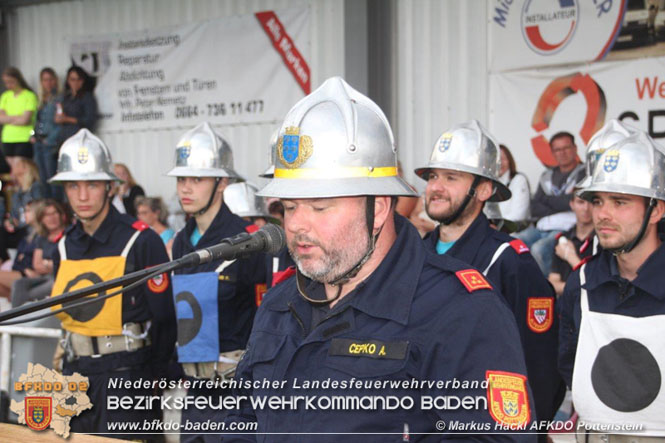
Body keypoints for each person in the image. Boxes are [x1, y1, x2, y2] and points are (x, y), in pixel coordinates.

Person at [225, 77, 535, 439]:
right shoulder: (280, 303)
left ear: (379, 209)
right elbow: (240, 416)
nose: (297, 225)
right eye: (290, 207)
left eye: (320, 207)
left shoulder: (461, 311)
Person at [415, 120, 564, 431]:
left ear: (483, 190)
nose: (436, 187)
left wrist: (531, 433)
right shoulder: (415, 257)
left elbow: (541, 364)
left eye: (451, 177)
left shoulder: (510, 261)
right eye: (433, 176)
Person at [48, 128, 176, 437]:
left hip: (128, 375)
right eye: (73, 186)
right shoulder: (63, 246)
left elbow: (165, 319)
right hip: (75, 376)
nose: (82, 196)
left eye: (92, 184)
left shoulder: (141, 240)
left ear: (109, 187)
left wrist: (152, 379)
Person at [559, 131, 665, 440]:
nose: (603, 215)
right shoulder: (581, 282)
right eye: (597, 201)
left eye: (620, 202)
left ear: (656, 210)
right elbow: (568, 364)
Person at [167, 122, 266, 442]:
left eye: (197, 179)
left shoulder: (247, 242)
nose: (185, 188)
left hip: (235, 395)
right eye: (182, 178)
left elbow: (265, 320)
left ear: (222, 182)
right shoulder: (182, 241)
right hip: (194, 392)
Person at [515, 131, 585, 275]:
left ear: (575, 149)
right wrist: (560, 204)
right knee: (514, 242)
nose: (562, 153)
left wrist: (547, 200)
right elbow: (534, 207)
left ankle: (548, 294)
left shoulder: (584, 173)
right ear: (552, 153)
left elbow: (572, 201)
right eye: (557, 150)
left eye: (566, 148)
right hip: (542, 226)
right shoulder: (546, 176)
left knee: (539, 249)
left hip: (568, 228)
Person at [11, 199, 68, 307]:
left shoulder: (69, 234)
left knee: (30, 293)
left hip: (59, 277)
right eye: (46, 215)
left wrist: (46, 263)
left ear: (61, 215)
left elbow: (65, 264)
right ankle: (11, 320)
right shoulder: (41, 238)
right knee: (18, 283)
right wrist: (50, 264)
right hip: (44, 277)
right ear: (41, 219)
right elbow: (37, 265)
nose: (52, 218)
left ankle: (19, 319)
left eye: (54, 213)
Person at [0, 157, 47, 262]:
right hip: (19, 230)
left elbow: (39, 211)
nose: (12, 164)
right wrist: (10, 222)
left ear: (26, 167)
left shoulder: (36, 188)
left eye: (16, 163)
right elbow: (13, 215)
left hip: (32, 229)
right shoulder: (17, 194)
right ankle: (6, 262)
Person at [548, 195, 594, 297]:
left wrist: (570, 256)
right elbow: (552, 283)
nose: (586, 208)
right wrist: (579, 288)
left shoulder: (603, 240)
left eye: (591, 202)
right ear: (572, 204)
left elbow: (595, 286)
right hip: (566, 306)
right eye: (580, 202)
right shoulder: (562, 238)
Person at [0, 200, 40, 302]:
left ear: (37, 212)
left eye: (27, 211)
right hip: (20, 271)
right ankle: (16, 299)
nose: (23, 214)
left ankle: (17, 299)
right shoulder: (27, 234)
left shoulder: (41, 236)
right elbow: (18, 261)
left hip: (29, 275)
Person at [31, 67, 61, 198]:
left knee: (52, 176)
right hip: (38, 141)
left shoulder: (59, 99)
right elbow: (37, 120)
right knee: (41, 177)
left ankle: (56, 206)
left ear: (55, 81)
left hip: (50, 142)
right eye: (45, 80)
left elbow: (60, 122)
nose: (48, 83)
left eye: (50, 79)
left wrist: (50, 139)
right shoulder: (40, 100)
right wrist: (33, 135)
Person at [0, 67, 38, 170]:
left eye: (11, 82)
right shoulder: (5, 96)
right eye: (6, 82)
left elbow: (25, 120)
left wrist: (8, 119)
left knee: (22, 170)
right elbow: (1, 118)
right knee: (13, 173)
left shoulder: (29, 95)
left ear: (18, 79)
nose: (9, 85)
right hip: (7, 137)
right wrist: (17, 117)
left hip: (23, 138)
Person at [54, 66, 97, 149]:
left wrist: (67, 119)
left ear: (83, 81)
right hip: (64, 138)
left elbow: (89, 121)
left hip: (80, 138)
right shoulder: (66, 97)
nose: (75, 83)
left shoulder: (87, 97)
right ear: (68, 80)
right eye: (73, 80)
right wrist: (58, 117)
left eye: (79, 80)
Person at [492, 144, 530, 231]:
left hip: (517, 230)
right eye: (496, 159)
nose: (500, 163)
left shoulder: (518, 179)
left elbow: (518, 215)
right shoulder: (487, 183)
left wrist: (496, 228)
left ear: (510, 160)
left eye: (503, 158)